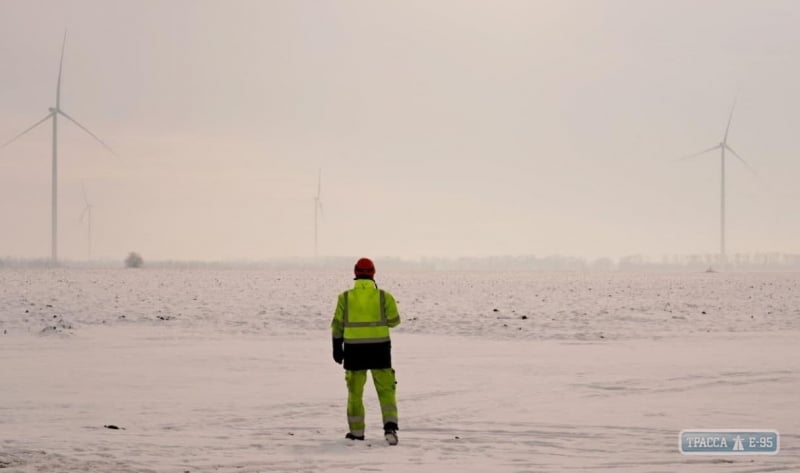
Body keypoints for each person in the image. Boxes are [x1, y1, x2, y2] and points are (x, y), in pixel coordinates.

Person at [330, 257, 401, 445]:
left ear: (355, 272)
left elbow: (337, 326)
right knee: (386, 391)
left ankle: (356, 433)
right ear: (374, 273)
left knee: (355, 393)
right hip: (380, 351)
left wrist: (337, 348)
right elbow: (394, 321)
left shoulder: (344, 297)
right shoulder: (384, 297)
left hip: (354, 352)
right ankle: (390, 428)